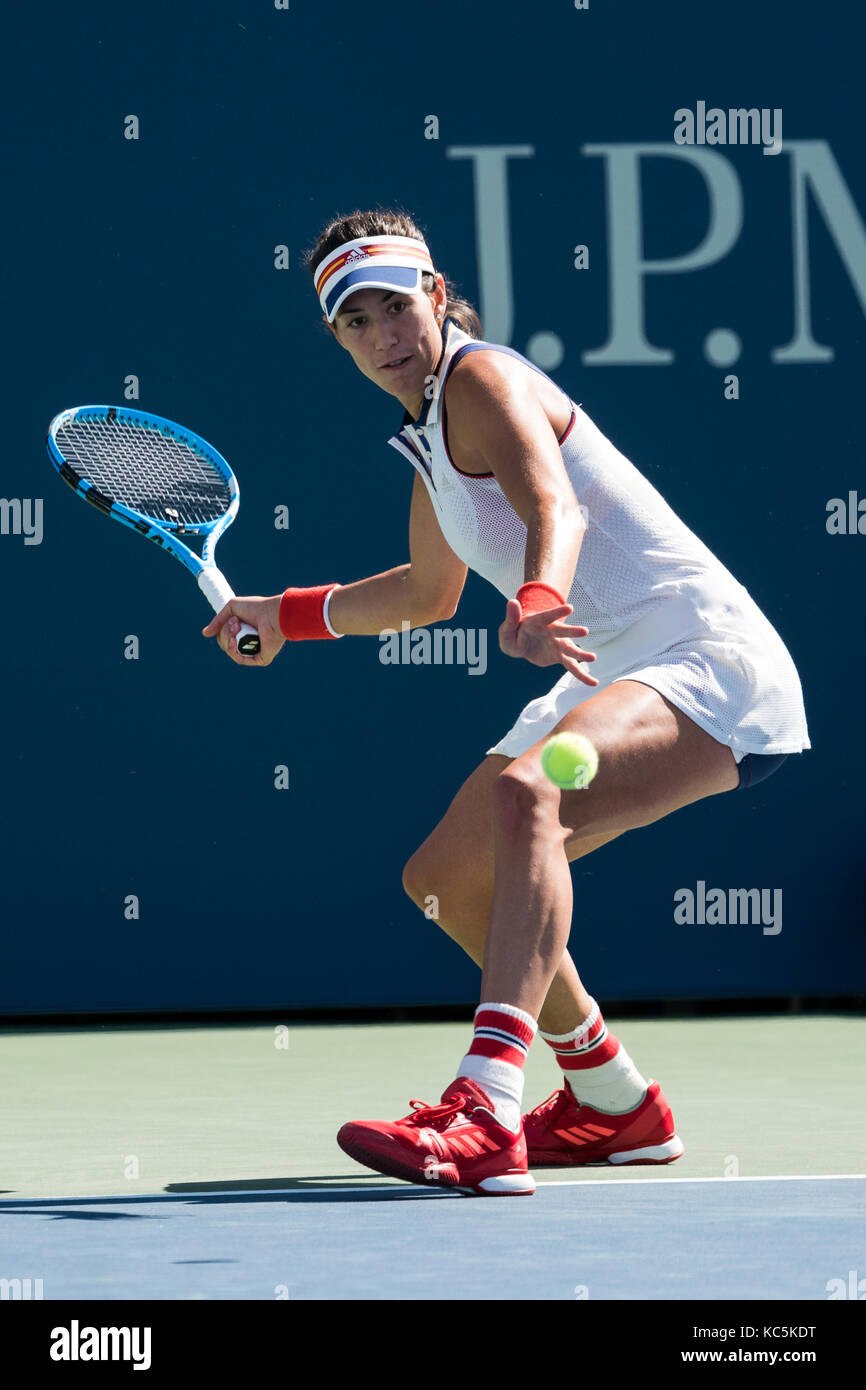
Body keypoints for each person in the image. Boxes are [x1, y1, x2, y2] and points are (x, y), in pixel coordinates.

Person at [203, 209, 810, 1197]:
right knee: (445, 876)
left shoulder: (482, 378)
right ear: (339, 340)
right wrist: (284, 613)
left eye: (395, 305)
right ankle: (613, 1102)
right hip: (609, 670)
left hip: (704, 661)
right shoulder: (426, 442)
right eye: (355, 321)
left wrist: (537, 595)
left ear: (435, 296)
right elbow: (423, 596)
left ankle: (484, 1108)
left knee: (530, 794)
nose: (381, 333)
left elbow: (552, 506)